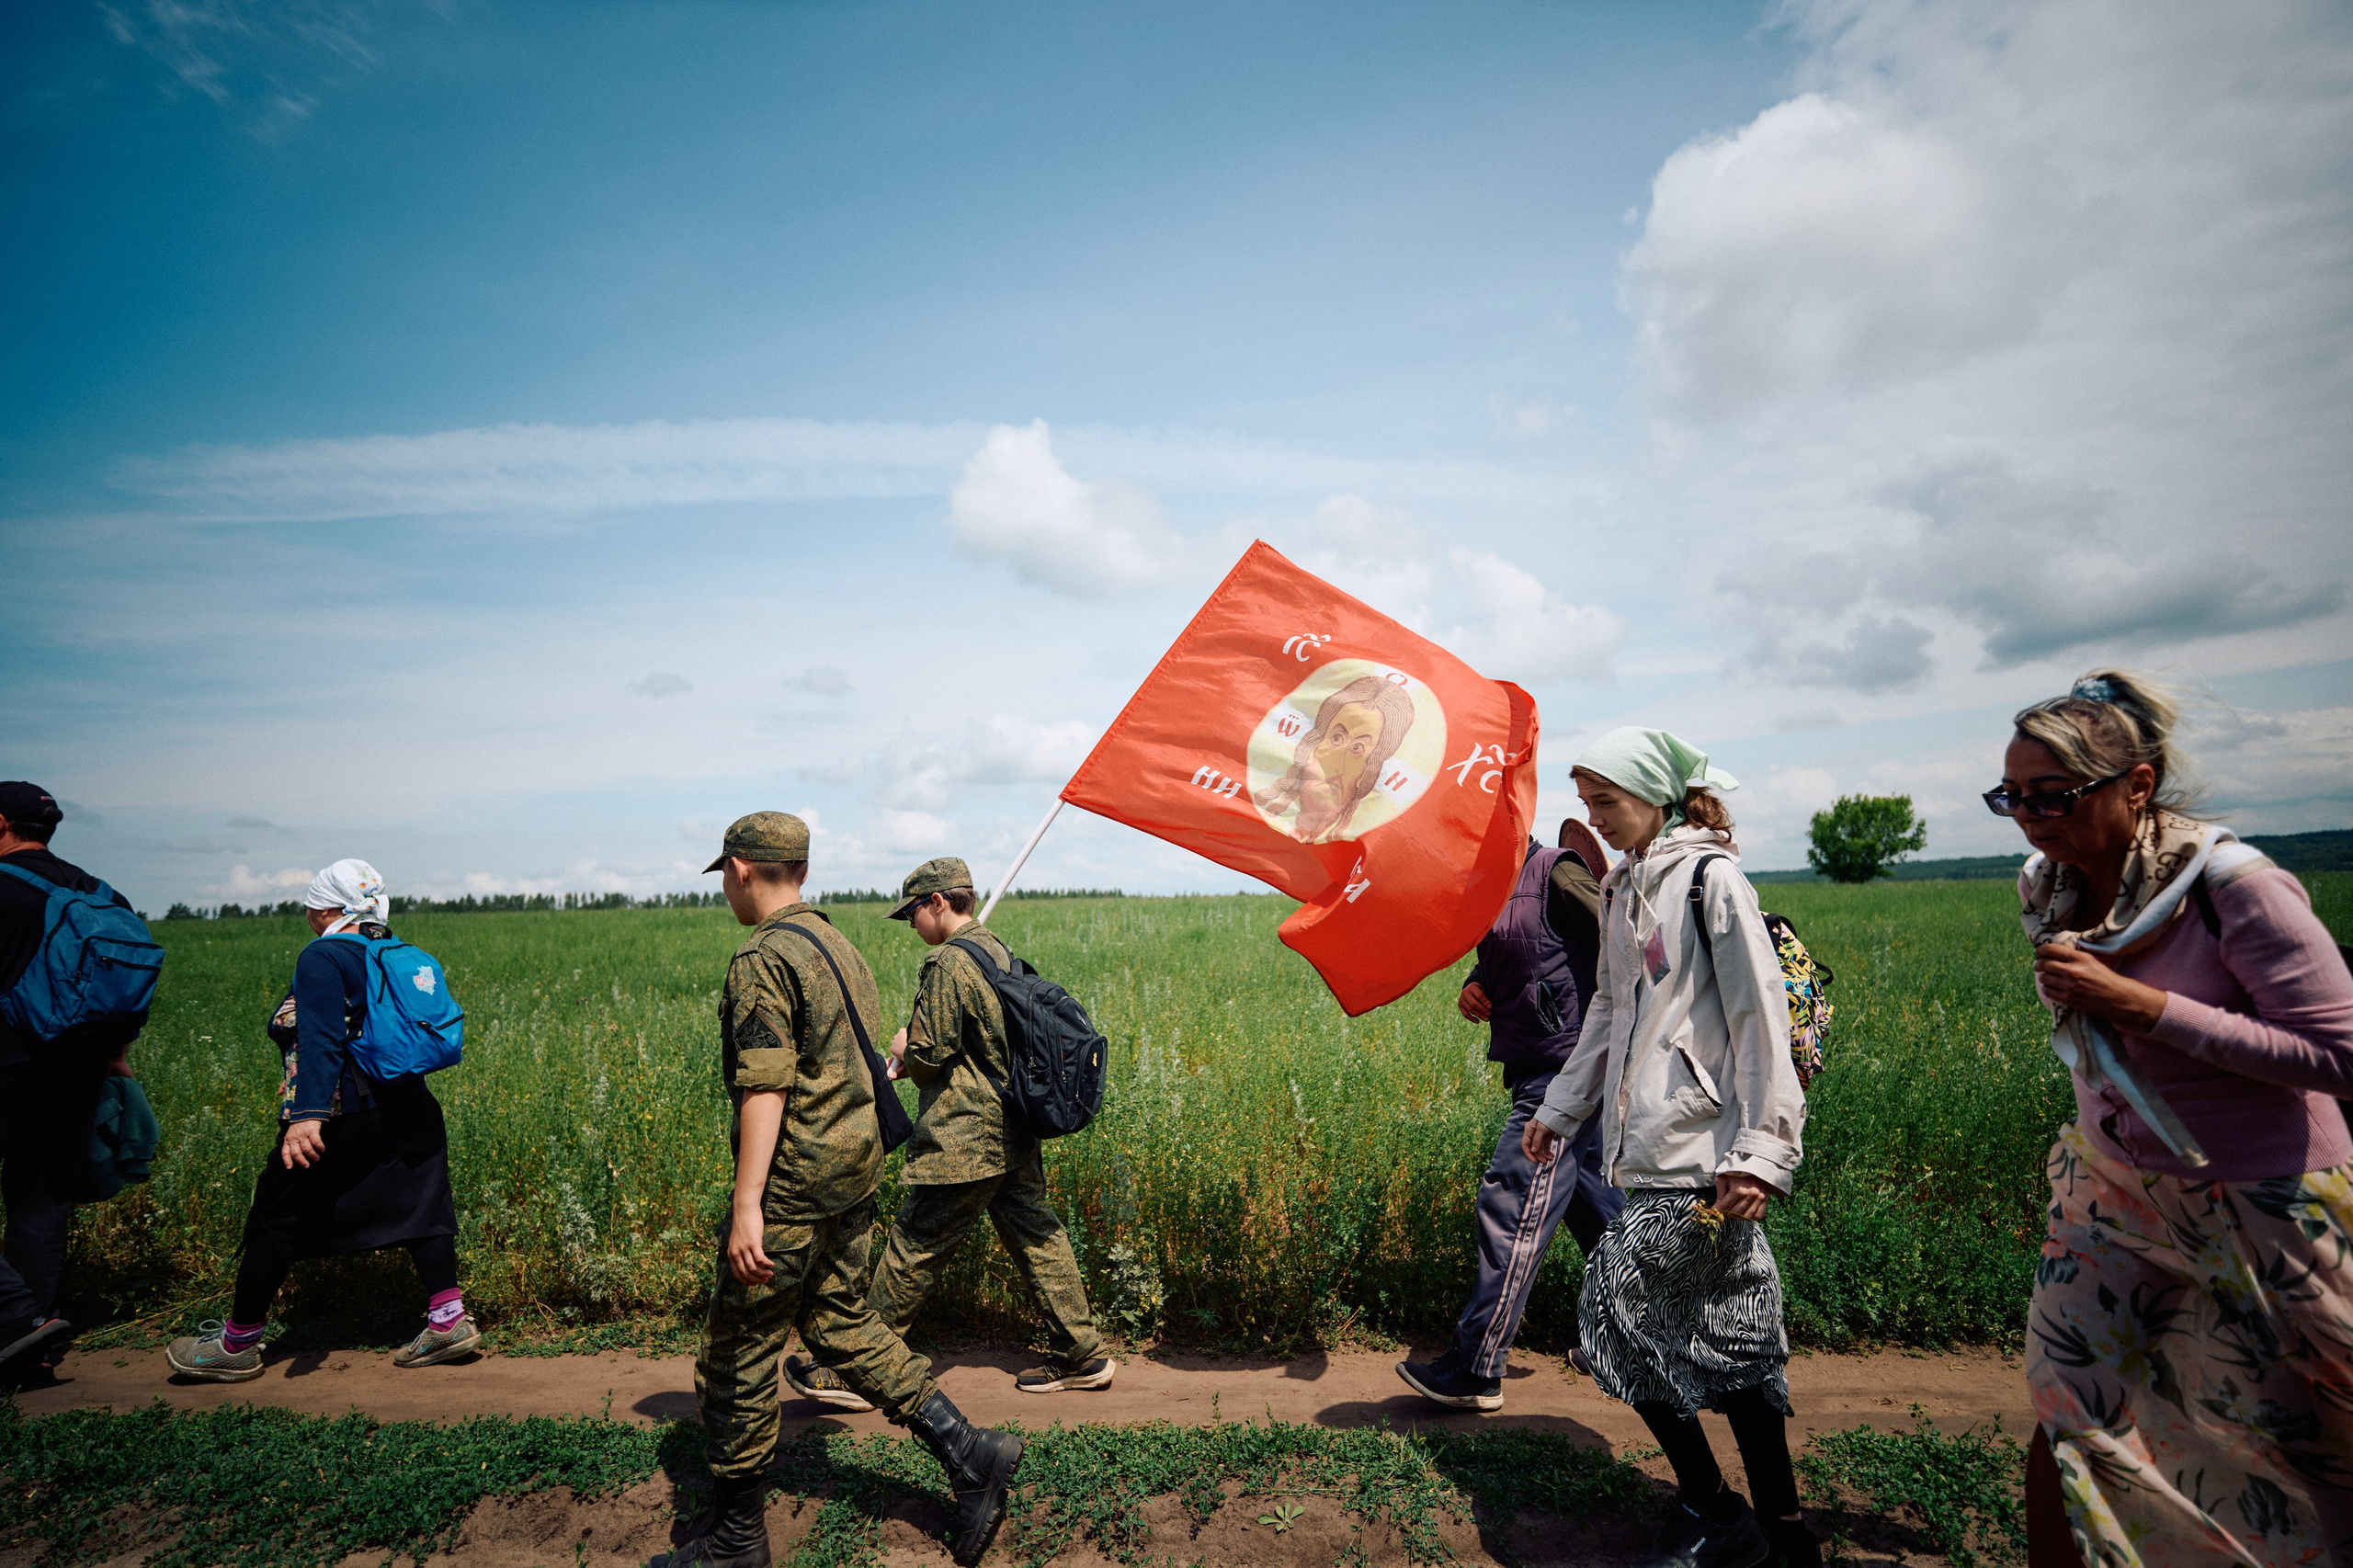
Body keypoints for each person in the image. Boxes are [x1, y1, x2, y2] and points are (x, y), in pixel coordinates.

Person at [1995, 673, 2353, 1568]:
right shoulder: (2051, 884)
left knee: (2305, 1430)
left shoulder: (2234, 887)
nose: (2029, 816)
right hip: (2109, 1191)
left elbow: (2340, 1057)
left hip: (2263, 1201)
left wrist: (2147, 1006)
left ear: (2138, 784)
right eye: (2011, 796)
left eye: (2052, 795)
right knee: (2069, 1405)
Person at [677, 816, 1023, 1568]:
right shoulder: (839, 944)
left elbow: (766, 1086)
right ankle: (972, 1453)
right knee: (839, 1322)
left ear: (740, 870)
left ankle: (737, 1536)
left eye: (727, 877)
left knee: (740, 1346)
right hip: (854, 1170)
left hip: (794, 1184)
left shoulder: (762, 957)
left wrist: (748, 1207)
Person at [1524, 729, 1813, 1568]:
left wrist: (1762, 1151)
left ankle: (1728, 1520)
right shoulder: (1623, 888)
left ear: (1654, 795)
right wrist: (1561, 1107)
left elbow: (1764, 1016)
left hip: (1707, 1154)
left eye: (1605, 801)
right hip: (1650, 1149)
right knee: (1734, 1338)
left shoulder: (1711, 881)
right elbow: (1610, 1012)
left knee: (1616, 1320)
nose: (1596, 818)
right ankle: (1778, 1536)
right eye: (1586, 803)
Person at [784, 858, 1113, 1414]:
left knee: (914, 1246)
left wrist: (899, 1046)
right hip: (1013, 1126)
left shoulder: (947, 964)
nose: (911, 923)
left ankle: (859, 1373)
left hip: (965, 1136)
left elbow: (930, 1055)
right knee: (1039, 1236)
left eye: (913, 912)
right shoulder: (996, 950)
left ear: (938, 903)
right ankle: (1084, 1354)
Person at [165, 859, 477, 1381]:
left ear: (329, 909)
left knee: (277, 1215)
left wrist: (306, 1118)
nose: (308, 912)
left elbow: (322, 1039)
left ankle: (237, 1344)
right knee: (423, 1207)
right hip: (410, 1103)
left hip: (346, 1110)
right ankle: (448, 1321)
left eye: (311, 903)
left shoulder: (323, 956)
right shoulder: (393, 952)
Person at [1396, 825, 1622, 1412]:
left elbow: (1620, 945)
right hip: (1545, 1071)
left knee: (1512, 1204)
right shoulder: (1492, 888)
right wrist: (1477, 984)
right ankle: (1645, 1343)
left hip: (1564, 1079)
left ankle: (1476, 1368)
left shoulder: (1554, 870)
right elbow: (1526, 956)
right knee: (1606, 1217)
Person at [0, 782, 142, 1382]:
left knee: (38, 1194)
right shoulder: (99, 893)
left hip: (6, 1061)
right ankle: (35, 1342)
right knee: (40, 1195)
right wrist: (113, 1054)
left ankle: (16, 1319)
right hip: (79, 1067)